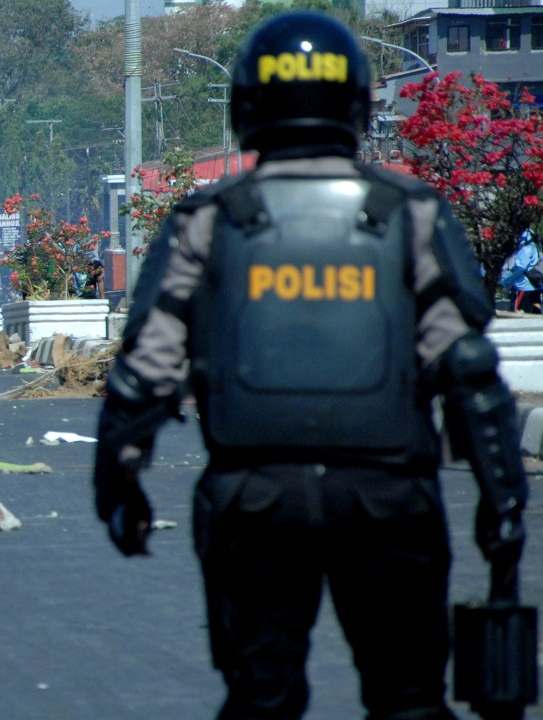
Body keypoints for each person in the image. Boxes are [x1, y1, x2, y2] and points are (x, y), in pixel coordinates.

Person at [92, 11, 527, 720]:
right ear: (357, 102)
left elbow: (147, 367)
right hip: (389, 494)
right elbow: (470, 368)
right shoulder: (409, 212)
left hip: (253, 494)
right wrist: (503, 504)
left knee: (262, 696)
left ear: (244, 105)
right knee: (408, 699)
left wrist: (119, 482)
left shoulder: (208, 219)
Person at [499, 229, 541, 314]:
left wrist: (505, 280)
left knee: (517, 316)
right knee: (534, 317)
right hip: (535, 287)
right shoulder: (536, 246)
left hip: (523, 288)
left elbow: (520, 267)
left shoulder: (526, 248)